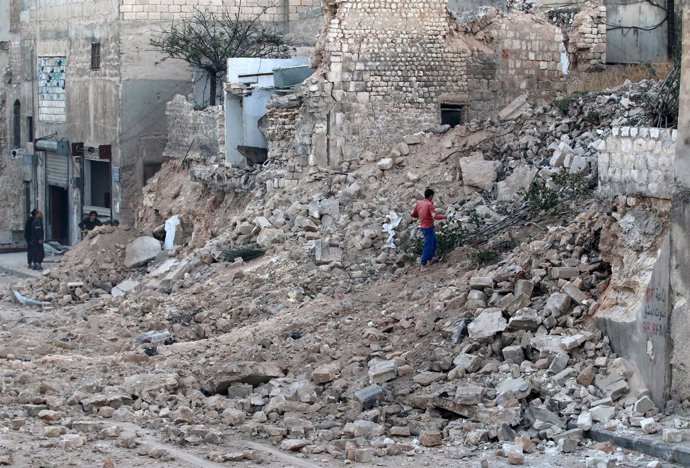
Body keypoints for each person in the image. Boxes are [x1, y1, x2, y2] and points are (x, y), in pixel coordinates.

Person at [411, 188, 446, 271]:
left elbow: (413, 214)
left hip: (423, 227)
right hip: (428, 228)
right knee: (429, 245)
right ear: (431, 196)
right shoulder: (429, 205)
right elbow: (435, 216)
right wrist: (445, 216)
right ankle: (423, 264)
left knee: (433, 243)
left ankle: (430, 260)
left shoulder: (419, 203)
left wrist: (421, 216)